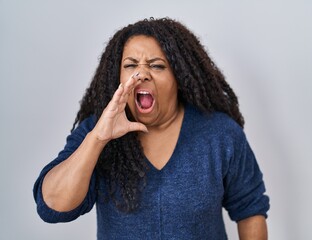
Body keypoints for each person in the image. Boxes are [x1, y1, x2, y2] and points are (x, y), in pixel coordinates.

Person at [33, 17, 270, 240]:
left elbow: (250, 209)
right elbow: (53, 207)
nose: (141, 74)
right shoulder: (96, 131)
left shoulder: (220, 133)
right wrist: (98, 139)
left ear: (180, 75)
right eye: (130, 65)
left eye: (157, 66)